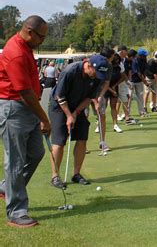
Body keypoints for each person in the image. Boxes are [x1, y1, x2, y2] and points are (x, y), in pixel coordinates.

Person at [0, 16, 51, 228]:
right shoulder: (16, 53)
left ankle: (6, 188)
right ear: (29, 31)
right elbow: (24, 92)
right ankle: (16, 212)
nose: (42, 41)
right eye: (41, 36)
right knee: (15, 161)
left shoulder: (26, 47)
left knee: (36, 153)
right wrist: (44, 118)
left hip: (27, 108)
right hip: (14, 108)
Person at [49, 54, 107, 189]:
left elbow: (89, 97)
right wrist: (69, 115)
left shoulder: (97, 76)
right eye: (96, 72)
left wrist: (75, 113)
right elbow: (60, 96)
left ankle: (76, 174)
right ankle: (55, 176)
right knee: (59, 142)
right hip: (59, 106)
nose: (97, 76)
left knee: (82, 138)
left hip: (78, 106)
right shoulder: (70, 71)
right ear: (88, 65)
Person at [105, 53, 125, 133]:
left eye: (118, 60)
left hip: (114, 88)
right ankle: (98, 125)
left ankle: (115, 125)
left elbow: (123, 77)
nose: (117, 61)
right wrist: (111, 90)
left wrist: (115, 86)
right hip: (105, 89)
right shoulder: (106, 67)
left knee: (113, 107)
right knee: (103, 107)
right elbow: (103, 82)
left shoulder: (117, 67)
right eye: (116, 60)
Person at [130, 48, 148, 116]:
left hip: (140, 81)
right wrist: (145, 81)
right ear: (140, 55)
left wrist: (144, 79)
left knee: (140, 96)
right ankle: (127, 113)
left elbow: (144, 70)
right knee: (130, 97)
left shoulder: (144, 60)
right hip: (132, 80)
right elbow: (138, 73)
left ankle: (141, 111)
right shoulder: (135, 61)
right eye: (144, 55)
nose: (145, 56)